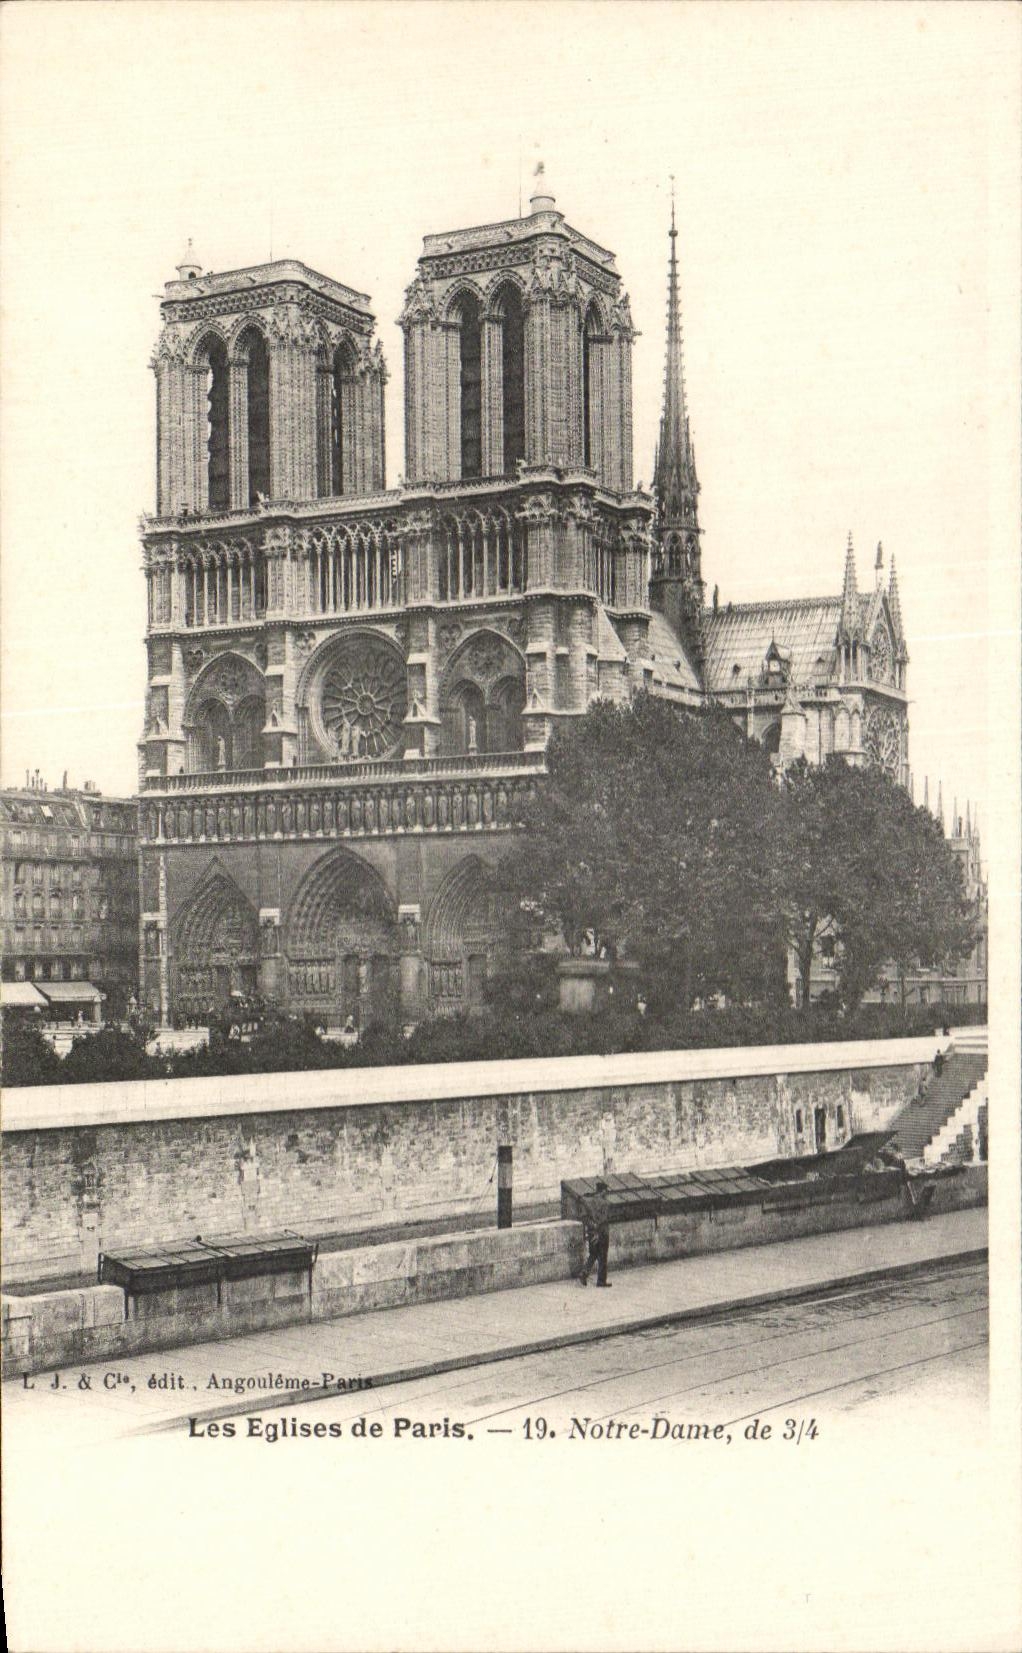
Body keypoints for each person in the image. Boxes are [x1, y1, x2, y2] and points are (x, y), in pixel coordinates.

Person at [579, 1179, 611, 1287]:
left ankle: (584, 1272)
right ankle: (601, 1281)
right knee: (603, 1257)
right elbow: (604, 1219)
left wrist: (592, 1229)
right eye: (606, 1191)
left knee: (593, 1254)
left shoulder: (589, 1202)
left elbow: (584, 1217)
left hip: (592, 1232)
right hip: (602, 1233)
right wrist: (599, 1232)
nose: (606, 1193)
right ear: (602, 1191)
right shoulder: (605, 1203)